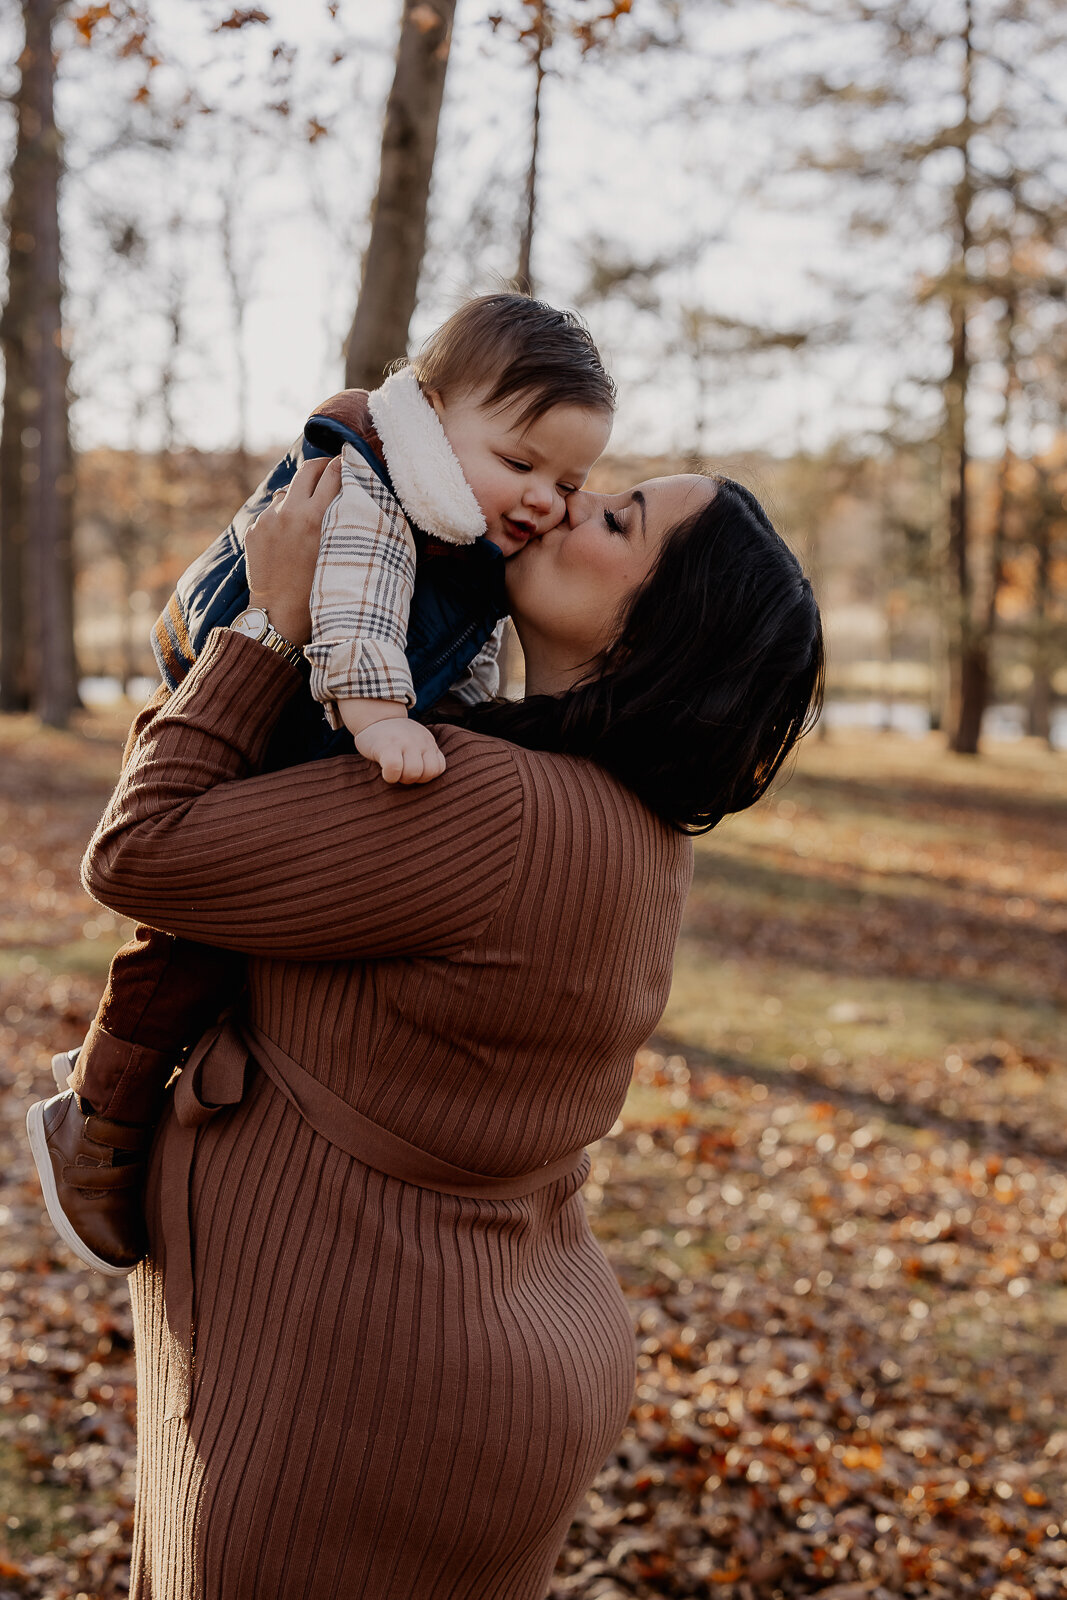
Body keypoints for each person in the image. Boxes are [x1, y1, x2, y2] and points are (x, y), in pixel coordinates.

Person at [60, 454, 822, 1598]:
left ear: (656, 631)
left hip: (354, 1408)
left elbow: (141, 851)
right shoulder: (629, 824)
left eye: (618, 519)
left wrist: (265, 623)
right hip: (473, 1371)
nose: (571, 504)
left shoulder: (491, 804)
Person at [27, 294, 615, 1276]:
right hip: (265, 693)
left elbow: (459, 660)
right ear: (428, 417)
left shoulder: (469, 538)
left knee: (246, 924)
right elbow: (350, 611)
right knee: (189, 940)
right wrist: (383, 715)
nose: (545, 498)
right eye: (520, 463)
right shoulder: (373, 489)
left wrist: (457, 725)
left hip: (313, 714)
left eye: (570, 479)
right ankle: (98, 1108)